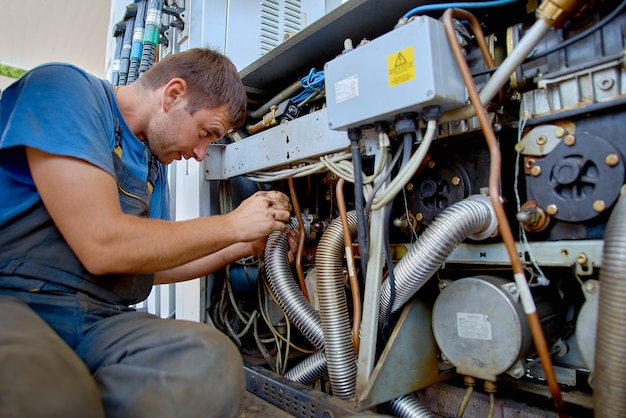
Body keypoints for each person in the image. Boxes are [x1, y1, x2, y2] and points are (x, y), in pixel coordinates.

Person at [0, 47, 296, 417]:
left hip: (101, 320)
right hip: (17, 301)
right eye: (206, 132)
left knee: (210, 360)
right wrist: (233, 223)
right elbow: (102, 244)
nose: (202, 153)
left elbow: (149, 265)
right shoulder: (66, 89)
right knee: (54, 391)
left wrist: (240, 245)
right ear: (173, 94)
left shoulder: (153, 164)